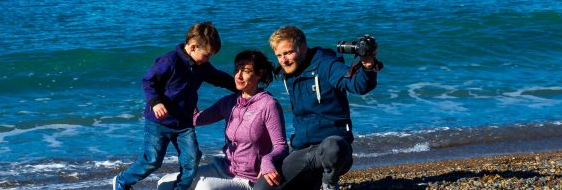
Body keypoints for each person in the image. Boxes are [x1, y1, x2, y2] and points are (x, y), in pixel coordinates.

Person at [113, 22, 237, 190]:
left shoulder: (202, 66)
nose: (208, 59)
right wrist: (155, 102)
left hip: (184, 123)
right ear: (193, 47)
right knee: (152, 161)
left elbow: (218, 78)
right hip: (158, 122)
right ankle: (122, 181)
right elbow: (148, 81)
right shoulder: (170, 60)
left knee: (192, 159)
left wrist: (239, 86)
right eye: (207, 55)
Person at [254, 26, 380, 190]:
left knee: (332, 147)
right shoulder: (288, 70)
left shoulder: (327, 64)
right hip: (302, 149)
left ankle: (329, 182)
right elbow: (258, 73)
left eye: (288, 53)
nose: (283, 60)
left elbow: (358, 85)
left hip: (334, 149)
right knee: (261, 188)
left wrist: (368, 65)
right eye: (279, 55)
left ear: (303, 47)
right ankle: (311, 181)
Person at [157, 49, 289, 190]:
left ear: (259, 73)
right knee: (166, 182)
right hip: (224, 168)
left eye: (245, 70)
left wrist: (267, 161)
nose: (238, 75)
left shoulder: (268, 104)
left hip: (248, 179)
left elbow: (281, 146)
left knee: (205, 187)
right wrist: (186, 90)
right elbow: (195, 119)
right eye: (237, 69)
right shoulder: (229, 102)